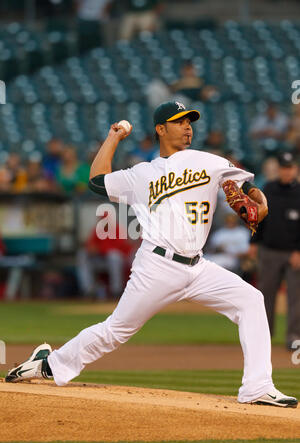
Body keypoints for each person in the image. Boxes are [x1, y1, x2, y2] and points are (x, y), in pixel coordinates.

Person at [5, 101, 297, 408]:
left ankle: (258, 387)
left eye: (190, 121)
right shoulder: (141, 174)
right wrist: (114, 137)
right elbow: (95, 180)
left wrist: (259, 201)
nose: (187, 127)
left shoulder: (209, 161)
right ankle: (47, 365)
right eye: (179, 121)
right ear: (160, 129)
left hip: (198, 267)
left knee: (251, 300)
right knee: (115, 331)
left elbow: (249, 188)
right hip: (157, 266)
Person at [248, 151, 300, 351]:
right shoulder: (268, 188)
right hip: (269, 251)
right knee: (265, 295)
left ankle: (294, 337)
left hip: (293, 253)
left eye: (289, 167)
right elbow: (259, 217)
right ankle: (264, 337)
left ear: (294, 169)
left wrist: (298, 250)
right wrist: (254, 242)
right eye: (283, 168)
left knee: (295, 297)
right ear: (279, 169)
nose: (286, 172)